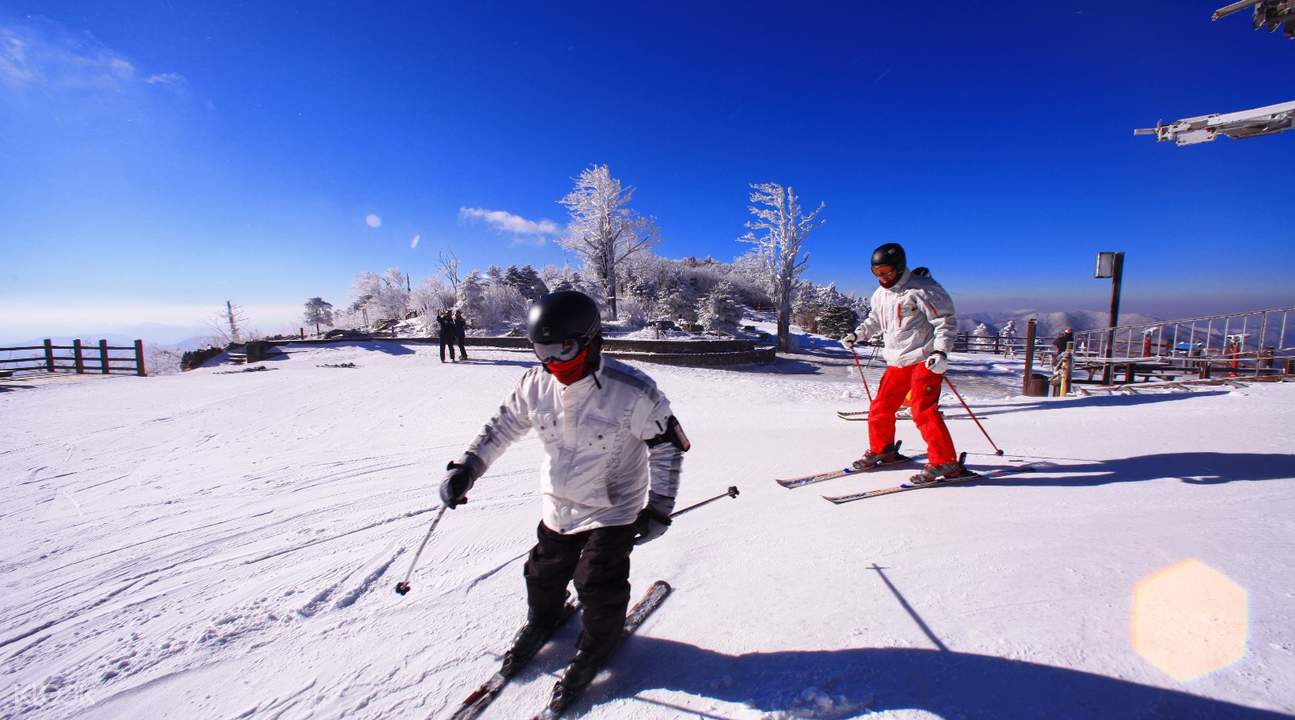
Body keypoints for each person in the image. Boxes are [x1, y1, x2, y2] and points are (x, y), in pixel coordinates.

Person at [438, 290, 689, 704]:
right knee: (542, 573)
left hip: (613, 507)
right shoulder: (535, 384)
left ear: (590, 341)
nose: (553, 361)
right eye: (542, 350)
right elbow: (501, 427)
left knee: (596, 581)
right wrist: (467, 467)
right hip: (559, 501)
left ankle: (596, 646)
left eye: (563, 349)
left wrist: (659, 509)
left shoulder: (633, 391)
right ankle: (546, 617)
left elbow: (667, 448)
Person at [841, 242, 963, 483]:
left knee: (922, 411)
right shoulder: (880, 294)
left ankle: (945, 462)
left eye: (886, 271)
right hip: (897, 360)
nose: (882, 277)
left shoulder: (923, 289)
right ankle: (883, 450)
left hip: (924, 359)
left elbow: (945, 322)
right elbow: (874, 320)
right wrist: (858, 334)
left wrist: (940, 352)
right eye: (876, 272)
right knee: (880, 408)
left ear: (898, 267)